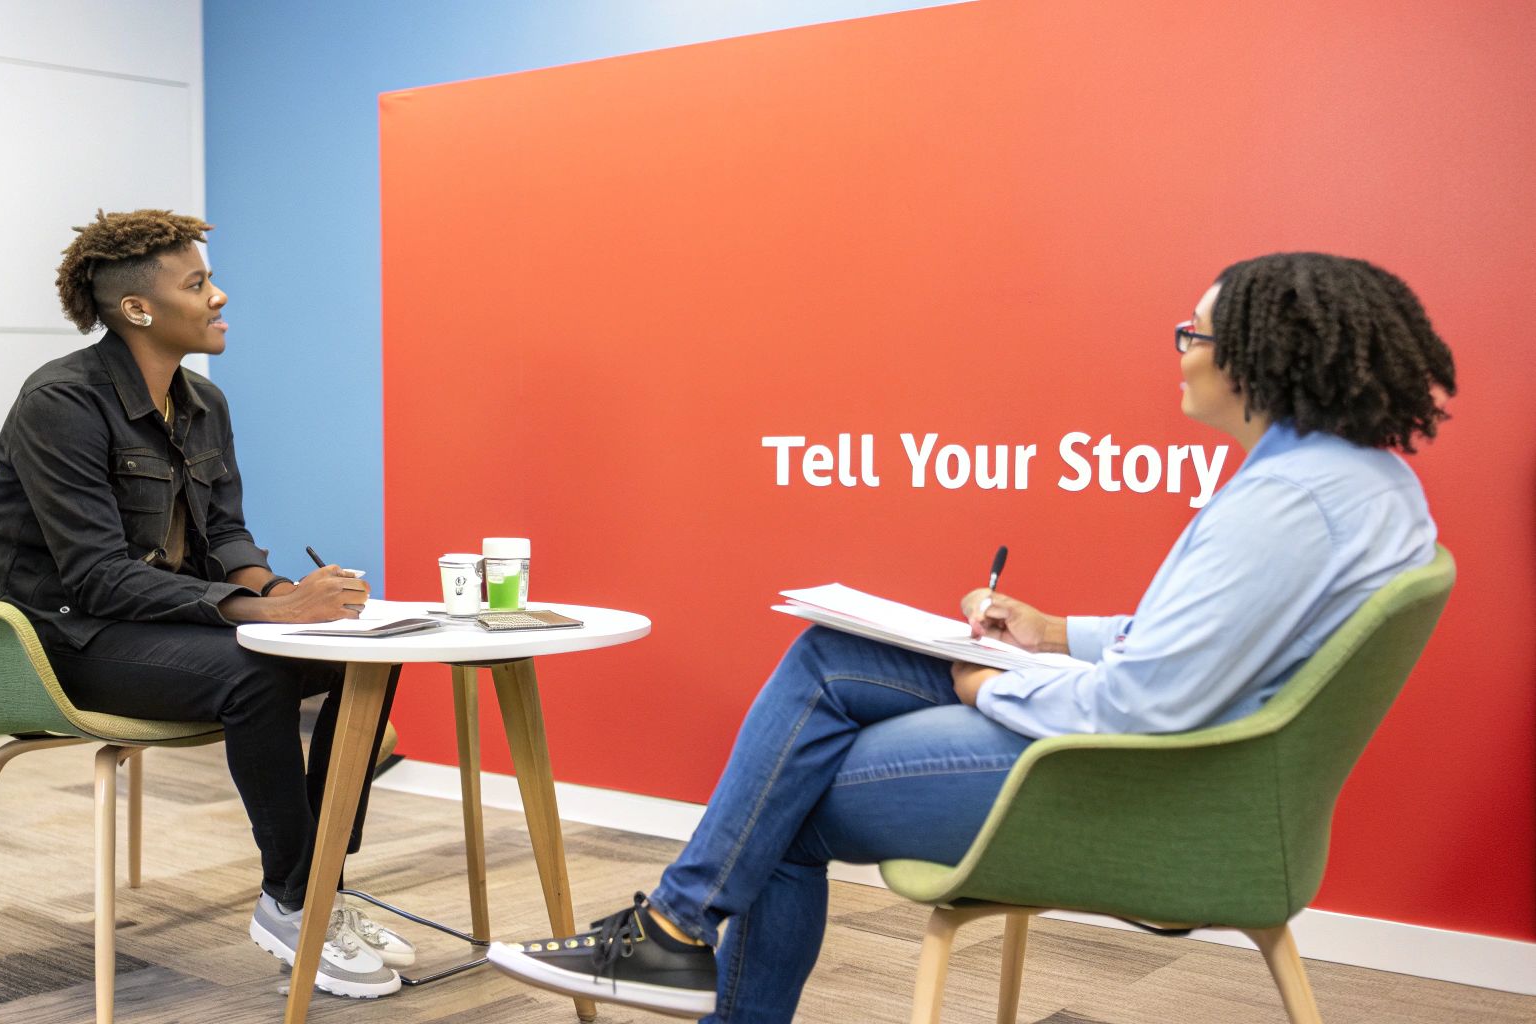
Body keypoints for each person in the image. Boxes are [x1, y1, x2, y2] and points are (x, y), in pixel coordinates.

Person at [487, 252, 1457, 1021]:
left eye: (1189, 334)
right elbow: (1206, 646)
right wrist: (1049, 631)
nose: (1177, 352)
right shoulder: (1357, 483)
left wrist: (985, 686)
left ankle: (673, 930)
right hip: (1194, 772)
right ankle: (672, 927)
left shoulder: (1284, 500)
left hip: (1137, 784)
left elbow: (1144, 701)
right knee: (830, 655)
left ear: (1256, 353)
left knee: (789, 795)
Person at [0, 209, 410, 999]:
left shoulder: (203, 403)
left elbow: (226, 535)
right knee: (256, 675)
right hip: (58, 639)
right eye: (198, 283)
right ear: (138, 308)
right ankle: (295, 902)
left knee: (367, 654)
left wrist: (286, 594)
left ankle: (318, 890)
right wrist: (265, 617)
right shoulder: (60, 402)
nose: (219, 295)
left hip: (151, 623)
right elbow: (98, 577)